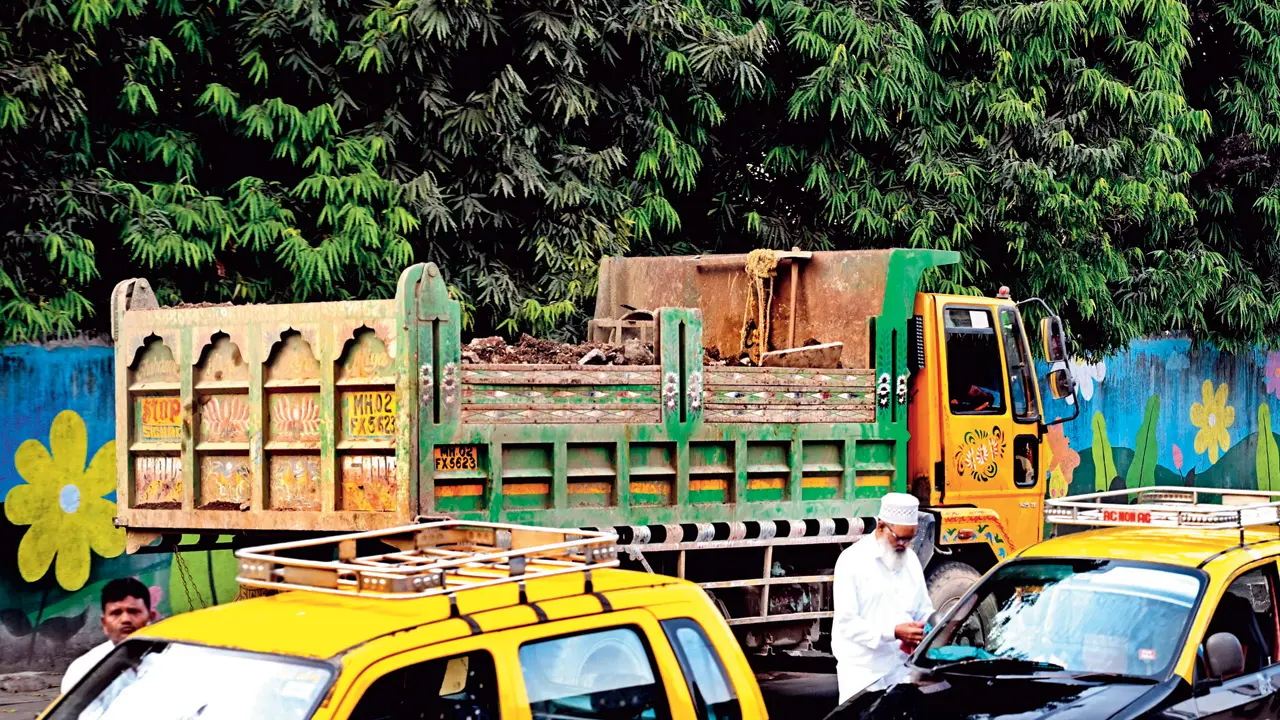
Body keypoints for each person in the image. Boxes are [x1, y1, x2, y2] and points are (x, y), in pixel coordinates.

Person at [832, 493, 935, 703]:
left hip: (901, 672)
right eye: (900, 538)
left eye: (910, 539)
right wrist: (894, 632)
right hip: (863, 675)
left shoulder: (911, 560)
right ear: (881, 527)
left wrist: (932, 627)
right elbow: (847, 623)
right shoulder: (852, 561)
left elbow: (923, 609)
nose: (904, 545)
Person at [61, 577, 158, 695]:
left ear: (151, 617)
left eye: (133, 611)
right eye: (116, 613)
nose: (125, 619)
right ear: (104, 623)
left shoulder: (174, 662)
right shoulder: (83, 670)